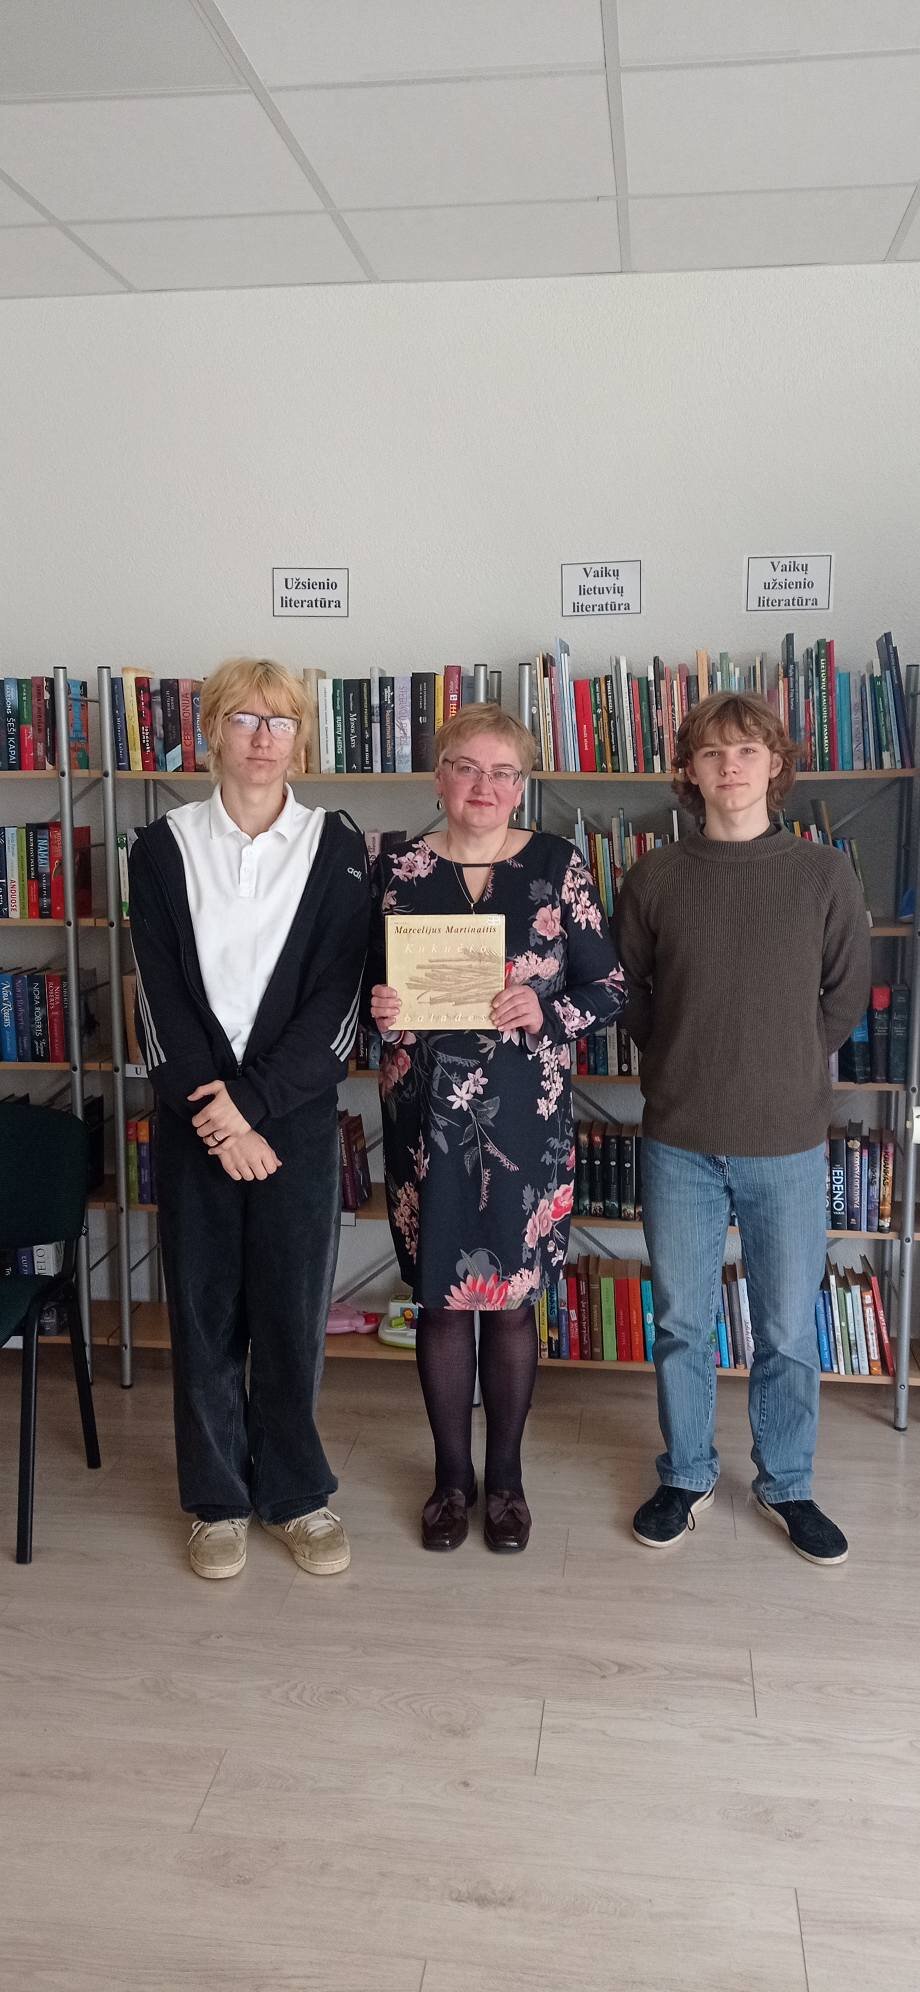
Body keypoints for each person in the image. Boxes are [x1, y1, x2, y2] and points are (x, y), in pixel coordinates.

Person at [614, 691, 871, 1565]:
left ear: (775, 766)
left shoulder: (822, 874)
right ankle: (686, 1473)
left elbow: (845, 996)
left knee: (789, 1329)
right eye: (713, 752)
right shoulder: (654, 877)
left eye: (748, 751)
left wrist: (785, 1060)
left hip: (788, 1141)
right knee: (683, 1321)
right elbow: (631, 994)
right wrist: (682, 1055)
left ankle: (787, 1483)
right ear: (689, 770)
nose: (731, 766)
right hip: (679, 1139)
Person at [129, 657, 370, 1580]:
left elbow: (338, 1004)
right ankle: (218, 1501)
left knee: (291, 1313)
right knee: (202, 1316)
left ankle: (296, 1494)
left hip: (294, 1123)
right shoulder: (161, 847)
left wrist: (256, 1109)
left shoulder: (336, 844)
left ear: (300, 738)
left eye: (280, 721)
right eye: (243, 719)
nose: (263, 738)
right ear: (212, 733)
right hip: (196, 1121)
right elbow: (158, 1001)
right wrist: (220, 1120)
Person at [368, 702, 625, 1554]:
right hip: (426, 1127)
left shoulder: (557, 865)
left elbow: (609, 989)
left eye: (503, 772)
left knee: (510, 1307)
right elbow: (358, 986)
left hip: (525, 1124)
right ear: (439, 777)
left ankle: (507, 1482)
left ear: (522, 785)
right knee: (442, 1305)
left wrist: (546, 1011)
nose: (485, 785)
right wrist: (381, 1007)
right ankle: (451, 1481)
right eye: (467, 768)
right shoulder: (396, 868)